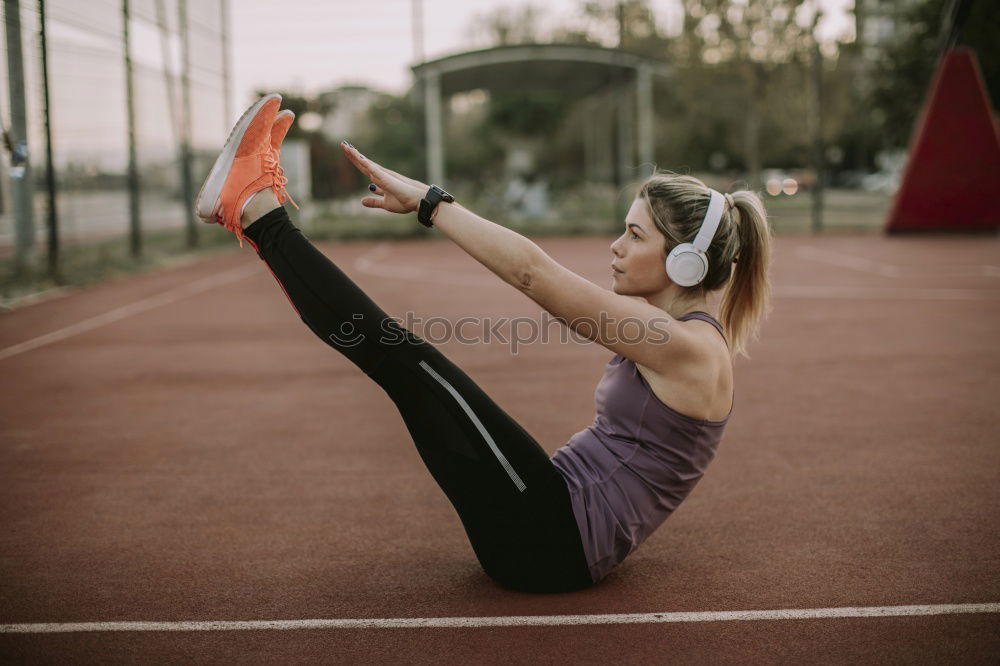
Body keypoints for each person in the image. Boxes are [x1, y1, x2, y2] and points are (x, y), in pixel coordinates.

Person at [195, 94, 772, 593]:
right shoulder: (676, 337)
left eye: (635, 234)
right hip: (547, 521)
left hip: (549, 539)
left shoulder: (688, 348)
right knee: (402, 361)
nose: (616, 246)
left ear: (685, 261)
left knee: (403, 358)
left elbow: (533, 275)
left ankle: (254, 210)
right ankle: (251, 211)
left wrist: (430, 202)